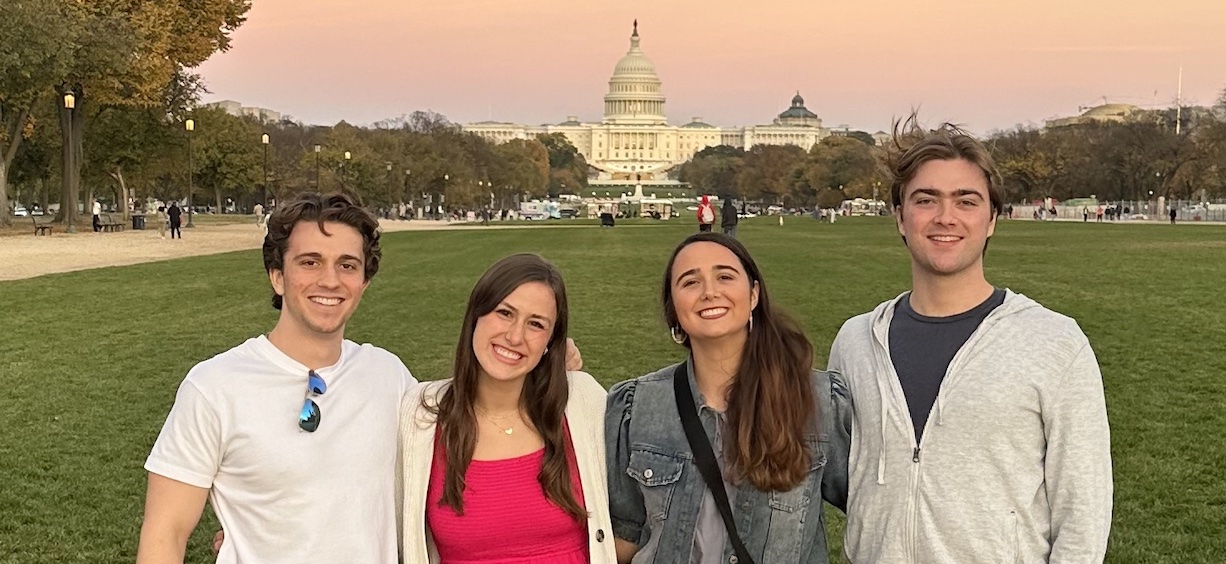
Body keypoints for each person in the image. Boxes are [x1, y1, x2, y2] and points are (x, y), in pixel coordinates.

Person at [827, 118, 1112, 562]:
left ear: (993, 218)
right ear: (900, 217)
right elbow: (854, 479)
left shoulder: (1054, 342)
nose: (946, 217)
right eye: (926, 200)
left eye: (966, 201)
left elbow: (1084, 511)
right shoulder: (856, 341)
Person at [137, 193, 417, 563]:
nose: (330, 280)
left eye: (347, 265)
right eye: (310, 262)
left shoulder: (389, 375)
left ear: (364, 282)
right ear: (278, 277)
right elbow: (165, 535)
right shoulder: (214, 387)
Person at [607, 232, 851, 564]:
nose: (709, 292)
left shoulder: (819, 402)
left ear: (753, 294)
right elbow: (623, 540)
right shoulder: (637, 408)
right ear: (674, 309)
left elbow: (878, 514)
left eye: (724, 276)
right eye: (690, 282)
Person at [399, 254, 616, 563]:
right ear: (476, 314)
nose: (515, 336)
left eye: (536, 324)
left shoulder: (583, 402)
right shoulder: (421, 414)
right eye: (504, 313)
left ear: (551, 342)